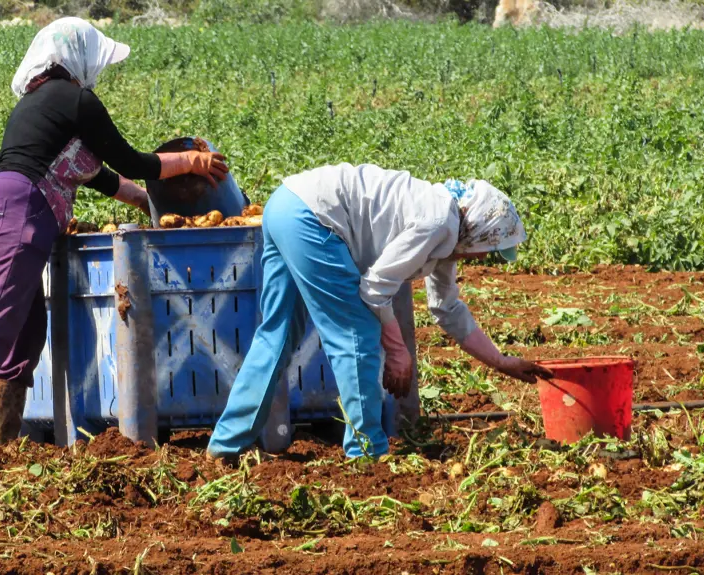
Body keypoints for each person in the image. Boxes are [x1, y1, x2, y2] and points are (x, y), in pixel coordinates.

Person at [0, 17, 229, 446]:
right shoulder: (76, 101)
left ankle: (1, 440)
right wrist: (192, 163)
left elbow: (101, 176)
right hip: (19, 212)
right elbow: (133, 163)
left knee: (28, 330)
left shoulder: (43, 104)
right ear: (78, 56)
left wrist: (146, 203)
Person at [207, 164, 552, 460]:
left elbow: (446, 307)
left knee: (279, 334)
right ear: (478, 229)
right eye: (488, 248)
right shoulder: (436, 222)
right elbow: (375, 288)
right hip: (312, 218)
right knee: (357, 334)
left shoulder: (448, 230)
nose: (482, 258)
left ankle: (226, 444)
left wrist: (501, 361)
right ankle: (366, 451)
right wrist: (397, 350)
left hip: (285, 204)